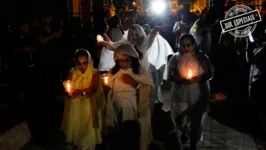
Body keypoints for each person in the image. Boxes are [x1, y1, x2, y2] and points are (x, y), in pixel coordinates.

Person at [168, 34, 213, 149]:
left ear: (193, 44)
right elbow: (170, 74)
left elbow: (209, 73)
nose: (186, 48)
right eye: (183, 45)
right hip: (181, 93)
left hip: (198, 92)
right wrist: (180, 79)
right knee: (180, 117)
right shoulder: (175, 58)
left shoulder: (201, 57)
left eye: (188, 45)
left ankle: (193, 143)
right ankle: (184, 131)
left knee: (195, 120)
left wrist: (199, 79)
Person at [105, 44, 154, 150]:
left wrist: (134, 83)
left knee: (127, 109)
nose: (124, 63)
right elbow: (108, 88)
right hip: (117, 103)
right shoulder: (114, 72)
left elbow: (149, 88)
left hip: (135, 103)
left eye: (127, 60)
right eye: (120, 60)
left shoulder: (140, 71)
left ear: (133, 59)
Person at [61, 49, 105, 150]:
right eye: (79, 63)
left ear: (89, 61)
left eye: (85, 63)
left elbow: (93, 88)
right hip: (76, 104)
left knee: (87, 128)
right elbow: (68, 84)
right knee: (77, 124)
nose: (82, 66)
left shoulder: (94, 72)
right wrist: (68, 90)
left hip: (89, 104)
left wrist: (81, 92)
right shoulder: (72, 71)